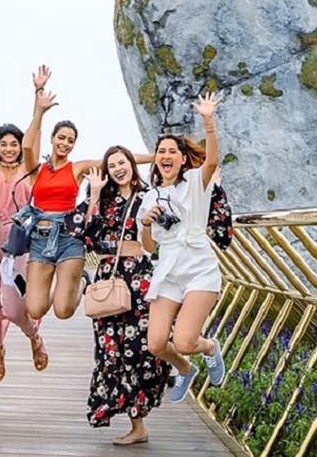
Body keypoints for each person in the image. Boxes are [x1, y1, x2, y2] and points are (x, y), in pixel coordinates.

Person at [21, 75, 150, 321]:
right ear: (52, 138)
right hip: (40, 237)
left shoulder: (77, 168)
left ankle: (81, 281)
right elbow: (27, 146)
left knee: (63, 311)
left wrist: (160, 156)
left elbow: (119, 158)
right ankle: (60, 281)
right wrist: (39, 108)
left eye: (71, 140)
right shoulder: (36, 170)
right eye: (61, 138)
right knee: (35, 309)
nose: (65, 143)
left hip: (70, 237)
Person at [138, 91, 227, 404]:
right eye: (160, 151)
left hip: (199, 266)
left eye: (171, 151)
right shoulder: (148, 198)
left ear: (181, 157)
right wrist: (146, 224)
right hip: (169, 270)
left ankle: (210, 349)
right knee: (156, 343)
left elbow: (213, 159)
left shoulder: (194, 181)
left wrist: (208, 120)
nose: (165, 156)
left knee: (186, 340)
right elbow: (149, 248)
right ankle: (185, 369)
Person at [82, 147, 171, 446]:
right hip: (109, 277)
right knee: (112, 349)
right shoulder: (103, 200)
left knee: (139, 347)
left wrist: (148, 222)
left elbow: (154, 242)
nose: (119, 168)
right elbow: (89, 237)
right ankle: (137, 426)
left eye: (123, 162)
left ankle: (140, 420)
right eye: (112, 165)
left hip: (139, 277)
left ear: (132, 165)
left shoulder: (150, 196)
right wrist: (94, 194)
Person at [0, 58, 47, 381]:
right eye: (3, 144)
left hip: (18, 246)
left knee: (16, 309)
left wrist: (39, 99)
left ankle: (33, 337)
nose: (9, 148)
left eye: (14, 144)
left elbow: (35, 133)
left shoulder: (29, 170)